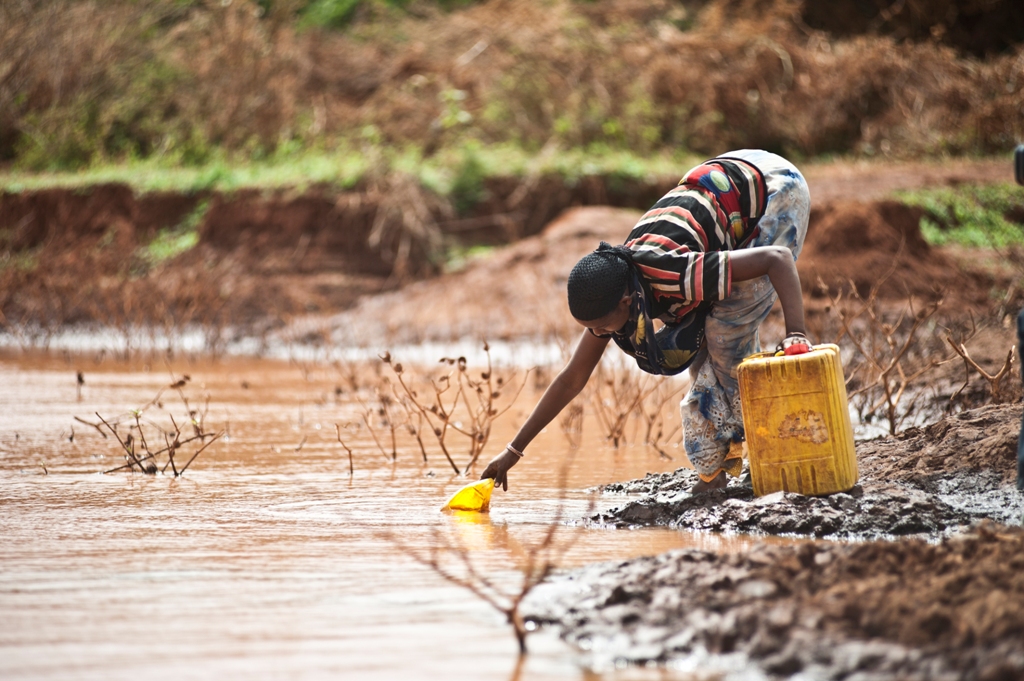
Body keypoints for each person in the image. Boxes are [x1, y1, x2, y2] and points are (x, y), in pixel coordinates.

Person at [480, 149, 812, 493]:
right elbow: (572, 379)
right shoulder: (618, 283)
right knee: (702, 347)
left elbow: (777, 259)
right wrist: (512, 451)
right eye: (591, 329)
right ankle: (715, 472)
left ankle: (770, 453)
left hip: (774, 188)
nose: (599, 335)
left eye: (602, 326)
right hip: (726, 181)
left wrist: (795, 334)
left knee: (725, 332)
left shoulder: (673, 273)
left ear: (626, 301)